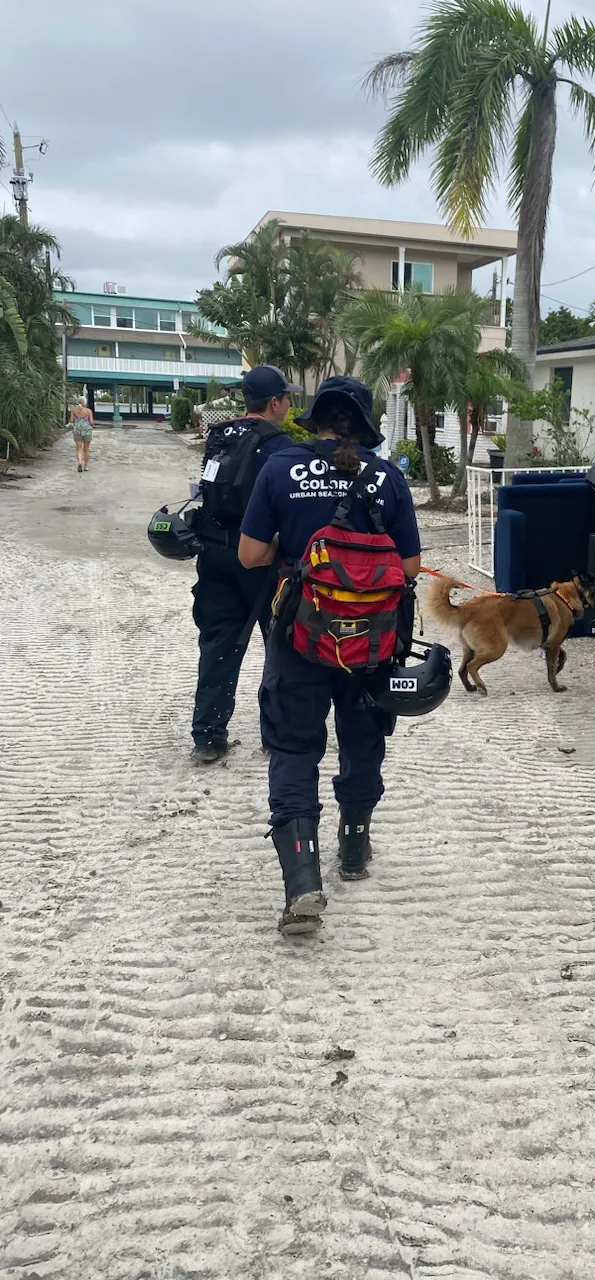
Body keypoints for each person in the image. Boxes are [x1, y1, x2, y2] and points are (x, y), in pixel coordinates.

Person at [239, 376, 421, 935]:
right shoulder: (388, 478)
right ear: (364, 425)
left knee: (293, 748)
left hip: (300, 637)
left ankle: (302, 881)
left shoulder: (280, 469)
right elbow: (410, 570)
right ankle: (354, 848)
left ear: (314, 419)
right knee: (363, 738)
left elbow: (249, 557)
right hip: (371, 643)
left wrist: (293, 551)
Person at [190, 365, 298, 765]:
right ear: (274, 402)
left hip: (216, 552)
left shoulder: (220, 435)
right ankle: (277, 734)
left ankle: (208, 736)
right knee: (281, 647)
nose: (289, 402)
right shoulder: (279, 446)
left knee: (219, 643)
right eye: (287, 397)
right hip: (262, 559)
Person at [70, 400, 95, 473]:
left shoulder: (73, 410)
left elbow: (71, 421)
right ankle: (86, 466)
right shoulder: (88, 411)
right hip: (86, 431)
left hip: (77, 431)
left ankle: (80, 462)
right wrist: (92, 425)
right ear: (85, 403)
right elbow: (91, 422)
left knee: (79, 448)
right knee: (86, 449)